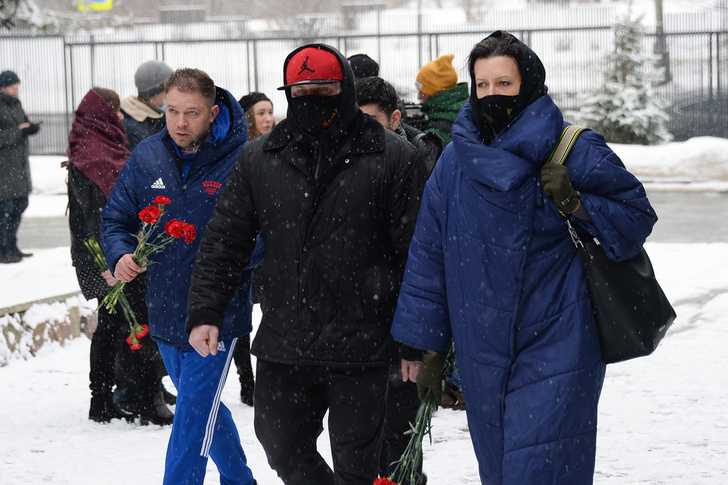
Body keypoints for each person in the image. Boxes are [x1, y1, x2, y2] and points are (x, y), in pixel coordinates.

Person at [391, 31, 658, 484]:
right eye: (483, 86)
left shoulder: (572, 148)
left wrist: (577, 203)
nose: (492, 95)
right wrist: (426, 346)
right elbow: (430, 256)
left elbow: (636, 217)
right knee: (499, 470)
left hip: (560, 337)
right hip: (481, 348)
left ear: (529, 85)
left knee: (539, 470)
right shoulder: (454, 163)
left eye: (504, 84)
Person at [185, 44, 428, 485]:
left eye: (325, 89)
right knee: (279, 442)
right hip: (287, 337)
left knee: (360, 463)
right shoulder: (260, 158)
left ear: (347, 91)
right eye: (301, 91)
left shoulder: (393, 156)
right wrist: (206, 311)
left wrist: (414, 338)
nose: (313, 99)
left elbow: (415, 253)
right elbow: (225, 241)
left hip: (364, 340)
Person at [100, 68, 259, 485]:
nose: (180, 123)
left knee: (190, 418)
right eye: (172, 111)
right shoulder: (148, 155)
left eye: (192, 113)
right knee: (202, 407)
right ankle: (241, 481)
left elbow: (267, 233)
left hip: (219, 311)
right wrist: (120, 255)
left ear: (213, 112)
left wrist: (226, 258)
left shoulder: (245, 159)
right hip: (166, 308)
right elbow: (115, 218)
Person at [67, 87, 174, 425]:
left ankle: (111, 397)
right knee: (129, 322)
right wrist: (110, 261)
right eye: (112, 110)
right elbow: (95, 215)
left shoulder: (92, 146)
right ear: (102, 114)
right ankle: (138, 398)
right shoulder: (94, 154)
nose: (118, 117)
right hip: (105, 257)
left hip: (110, 252)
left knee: (116, 325)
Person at [354, 74, 442, 483]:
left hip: (404, 317)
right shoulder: (345, 157)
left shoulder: (420, 160)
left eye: (370, 120)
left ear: (394, 119)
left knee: (399, 433)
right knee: (359, 436)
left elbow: (426, 252)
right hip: (354, 322)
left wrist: (424, 331)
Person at [232, 91, 277, 407]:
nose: (268, 119)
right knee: (242, 317)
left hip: (274, 244)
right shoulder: (238, 153)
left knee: (272, 313)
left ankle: (270, 376)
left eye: (271, 112)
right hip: (247, 246)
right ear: (247, 117)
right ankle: (247, 381)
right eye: (261, 113)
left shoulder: (278, 147)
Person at [356, 75, 444, 174]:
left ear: (394, 120)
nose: (361, 128)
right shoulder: (342, 152)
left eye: (370, 120)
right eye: (355, 120)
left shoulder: (425, 155)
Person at [0, 70, 40, 264]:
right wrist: (18, 132)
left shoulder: (16, 103)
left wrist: (30, 128)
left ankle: (12, 246)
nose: (16, 88)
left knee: (20, 204)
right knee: (5, 209)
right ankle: (3, 249)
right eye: (12, 85)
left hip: (18, 165)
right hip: (3, 168)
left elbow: (21, 126)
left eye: (17, 85)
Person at [414, 53, 469, 144]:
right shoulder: (462, 108)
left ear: (436, 94)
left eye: (423, 92)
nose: (418, 97)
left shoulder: (438, 131)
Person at [120, 60, 173, 152]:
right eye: (167, 91)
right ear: (150, 94)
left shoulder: (161, 117)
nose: (172, 96)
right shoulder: (132, 130)